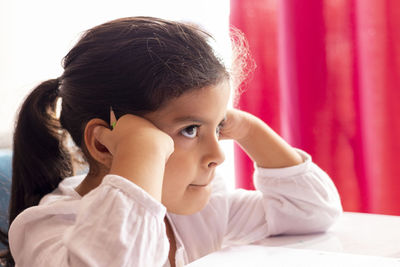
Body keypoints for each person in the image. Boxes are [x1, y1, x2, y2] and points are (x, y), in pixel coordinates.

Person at [0, 17, 342, 267]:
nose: (218, 156)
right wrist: (140, 153)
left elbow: (310, 212)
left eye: (218, 126)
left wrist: (247, 129)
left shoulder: (197, 208)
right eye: (190, 130)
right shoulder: (48, 227)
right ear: (104, 146)